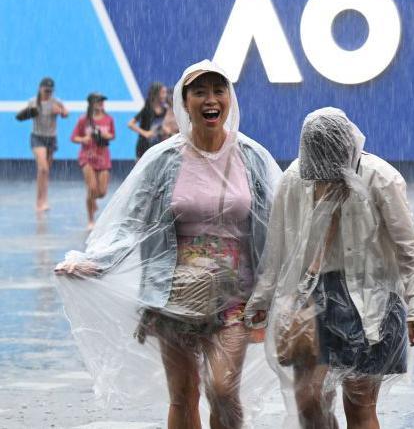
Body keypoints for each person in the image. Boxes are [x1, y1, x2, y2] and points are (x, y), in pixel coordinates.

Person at [55, 60, 282, 429]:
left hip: (235, 299)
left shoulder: (251, 157)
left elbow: (278, 225)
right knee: (183, 394)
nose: (210, 99)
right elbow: (131, 222)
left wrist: (291, 279)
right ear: (185, 101)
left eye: (218, 90)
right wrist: (95, 261)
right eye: (200, 92)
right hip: (173, 296)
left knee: (223, 391)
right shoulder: (163, 160)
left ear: (229, 99)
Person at [245, 107, 414, 429]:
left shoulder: (380, 178)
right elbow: (278, 247)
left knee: (359, 405)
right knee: (308, 400)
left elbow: (408, 247)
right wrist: (262, 299)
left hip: (372, 298)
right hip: (311, 299)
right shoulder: (294, 179)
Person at [18, 77, 68, 212]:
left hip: (51, 138)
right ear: (40, 89)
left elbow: (66, 113)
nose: (48, 93)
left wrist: (61, 111)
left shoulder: (56, 102)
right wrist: (29, 112)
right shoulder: (33, 102)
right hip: (37, 137)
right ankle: (39, 202)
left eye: (50, 91)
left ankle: (43, 199)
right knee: (43, 168)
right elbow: (21, 116)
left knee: (45, 172)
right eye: (46, 90)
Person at [71, 92, 115, 229]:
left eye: (102, 100)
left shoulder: (109, 119)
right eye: (98, 101)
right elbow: (74, 137)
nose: (101, 103)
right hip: (87, 156)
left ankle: (92, 201)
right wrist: (83, 139)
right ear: (91, 104)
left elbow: (112, 135)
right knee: (91, 188)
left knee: (101, 192)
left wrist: (107, 135)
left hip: (103, 157)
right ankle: (90, 220)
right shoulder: (83, 120)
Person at [128, 81, 170, 160]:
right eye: (163, 93)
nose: (165, 95)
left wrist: (165, 130)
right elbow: (130, 124)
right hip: (143, 146)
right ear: (156, 94)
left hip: (156, 146)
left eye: (166, 93)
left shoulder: (165, 110)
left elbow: (161, 125)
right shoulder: (147, 109)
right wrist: (145, 133)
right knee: (141, 171)